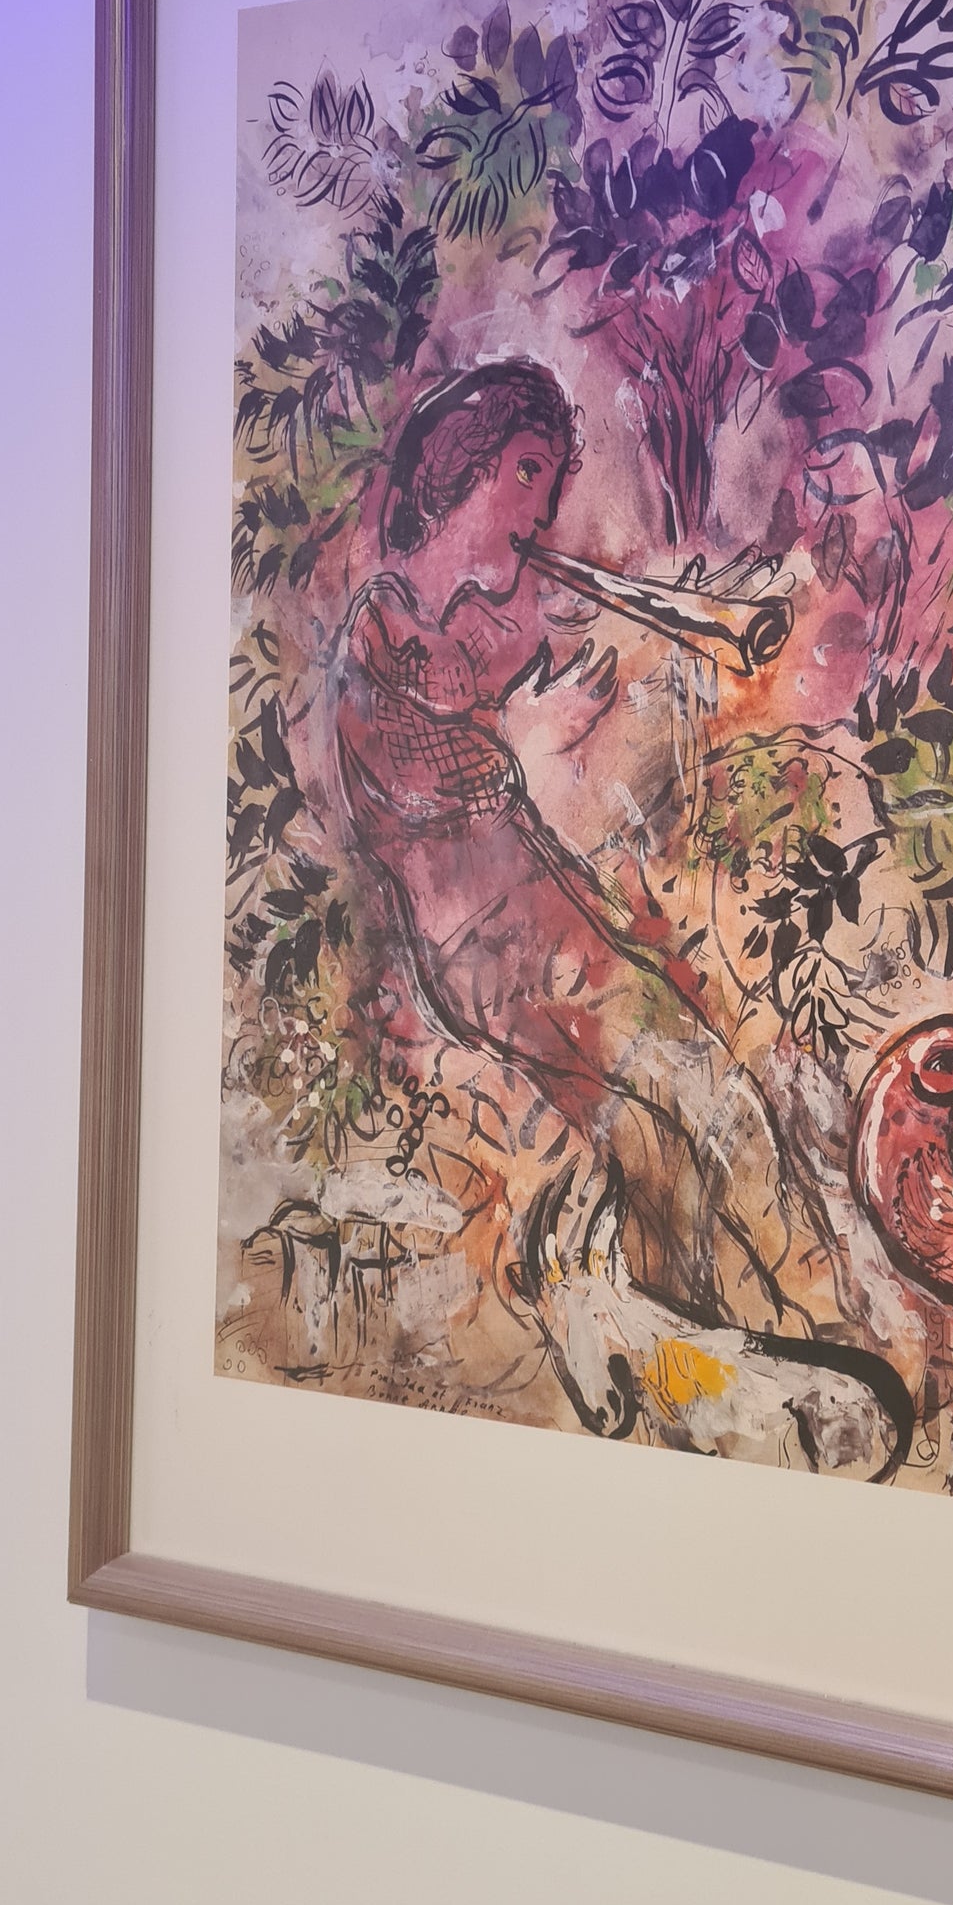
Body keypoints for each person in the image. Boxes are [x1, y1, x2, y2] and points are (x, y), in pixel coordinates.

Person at [329, 358, 850, 1401]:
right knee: (678, 1096)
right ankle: (759, 1339)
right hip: (486, 949)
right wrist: (524, 735)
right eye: (526, 472)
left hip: (536, 910)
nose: (540, 510)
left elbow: (514, 764)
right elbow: (413, 781)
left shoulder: (482, 627)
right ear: (461, 468)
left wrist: (589, 699)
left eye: (552, 482)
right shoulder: (384, 627)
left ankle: (753, 1334)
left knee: (682, 1110)